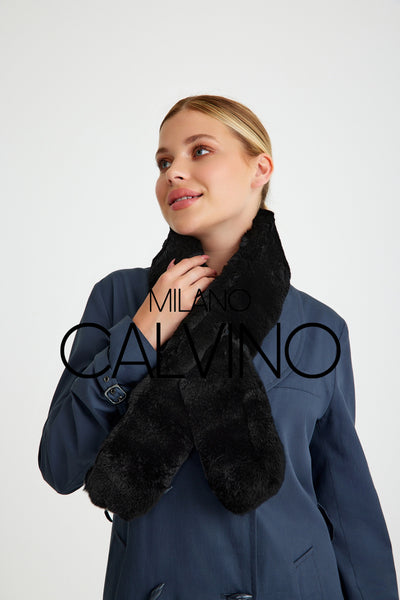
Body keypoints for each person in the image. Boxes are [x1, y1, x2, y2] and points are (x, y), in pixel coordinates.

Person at [38, 95, 399, 600]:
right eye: (163, 161)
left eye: (200, 150)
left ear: (260, 168)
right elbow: (60, 464)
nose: (173, 172)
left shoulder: (319, 327)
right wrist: (142, 334)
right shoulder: (120, 298)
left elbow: (345, 497)